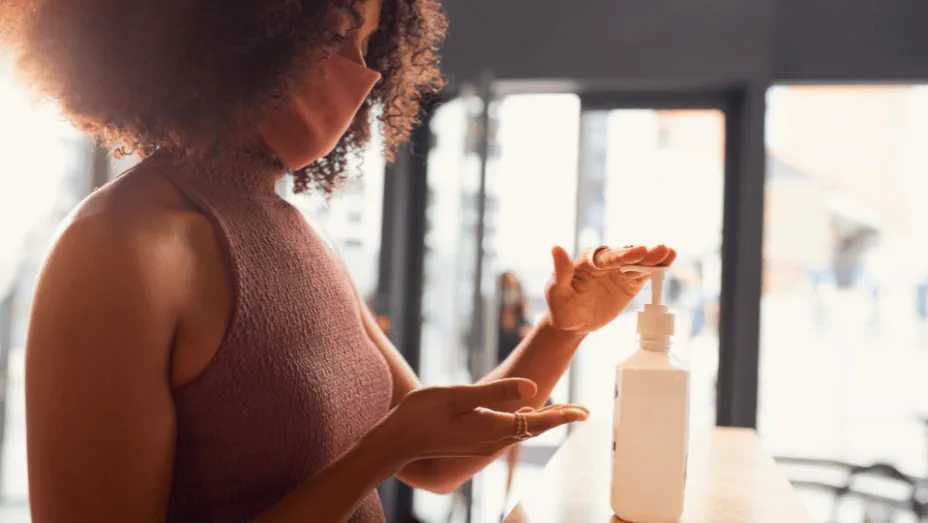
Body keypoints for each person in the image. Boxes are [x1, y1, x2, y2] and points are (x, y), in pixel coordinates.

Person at [3, 1, 677, 522]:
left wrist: (561, 329)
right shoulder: (120, 247)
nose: (364, 74)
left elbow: (436, 458)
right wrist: (376, 456)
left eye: (368, 44)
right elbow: (400, 446)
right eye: (334, 34)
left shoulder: (294, 233)